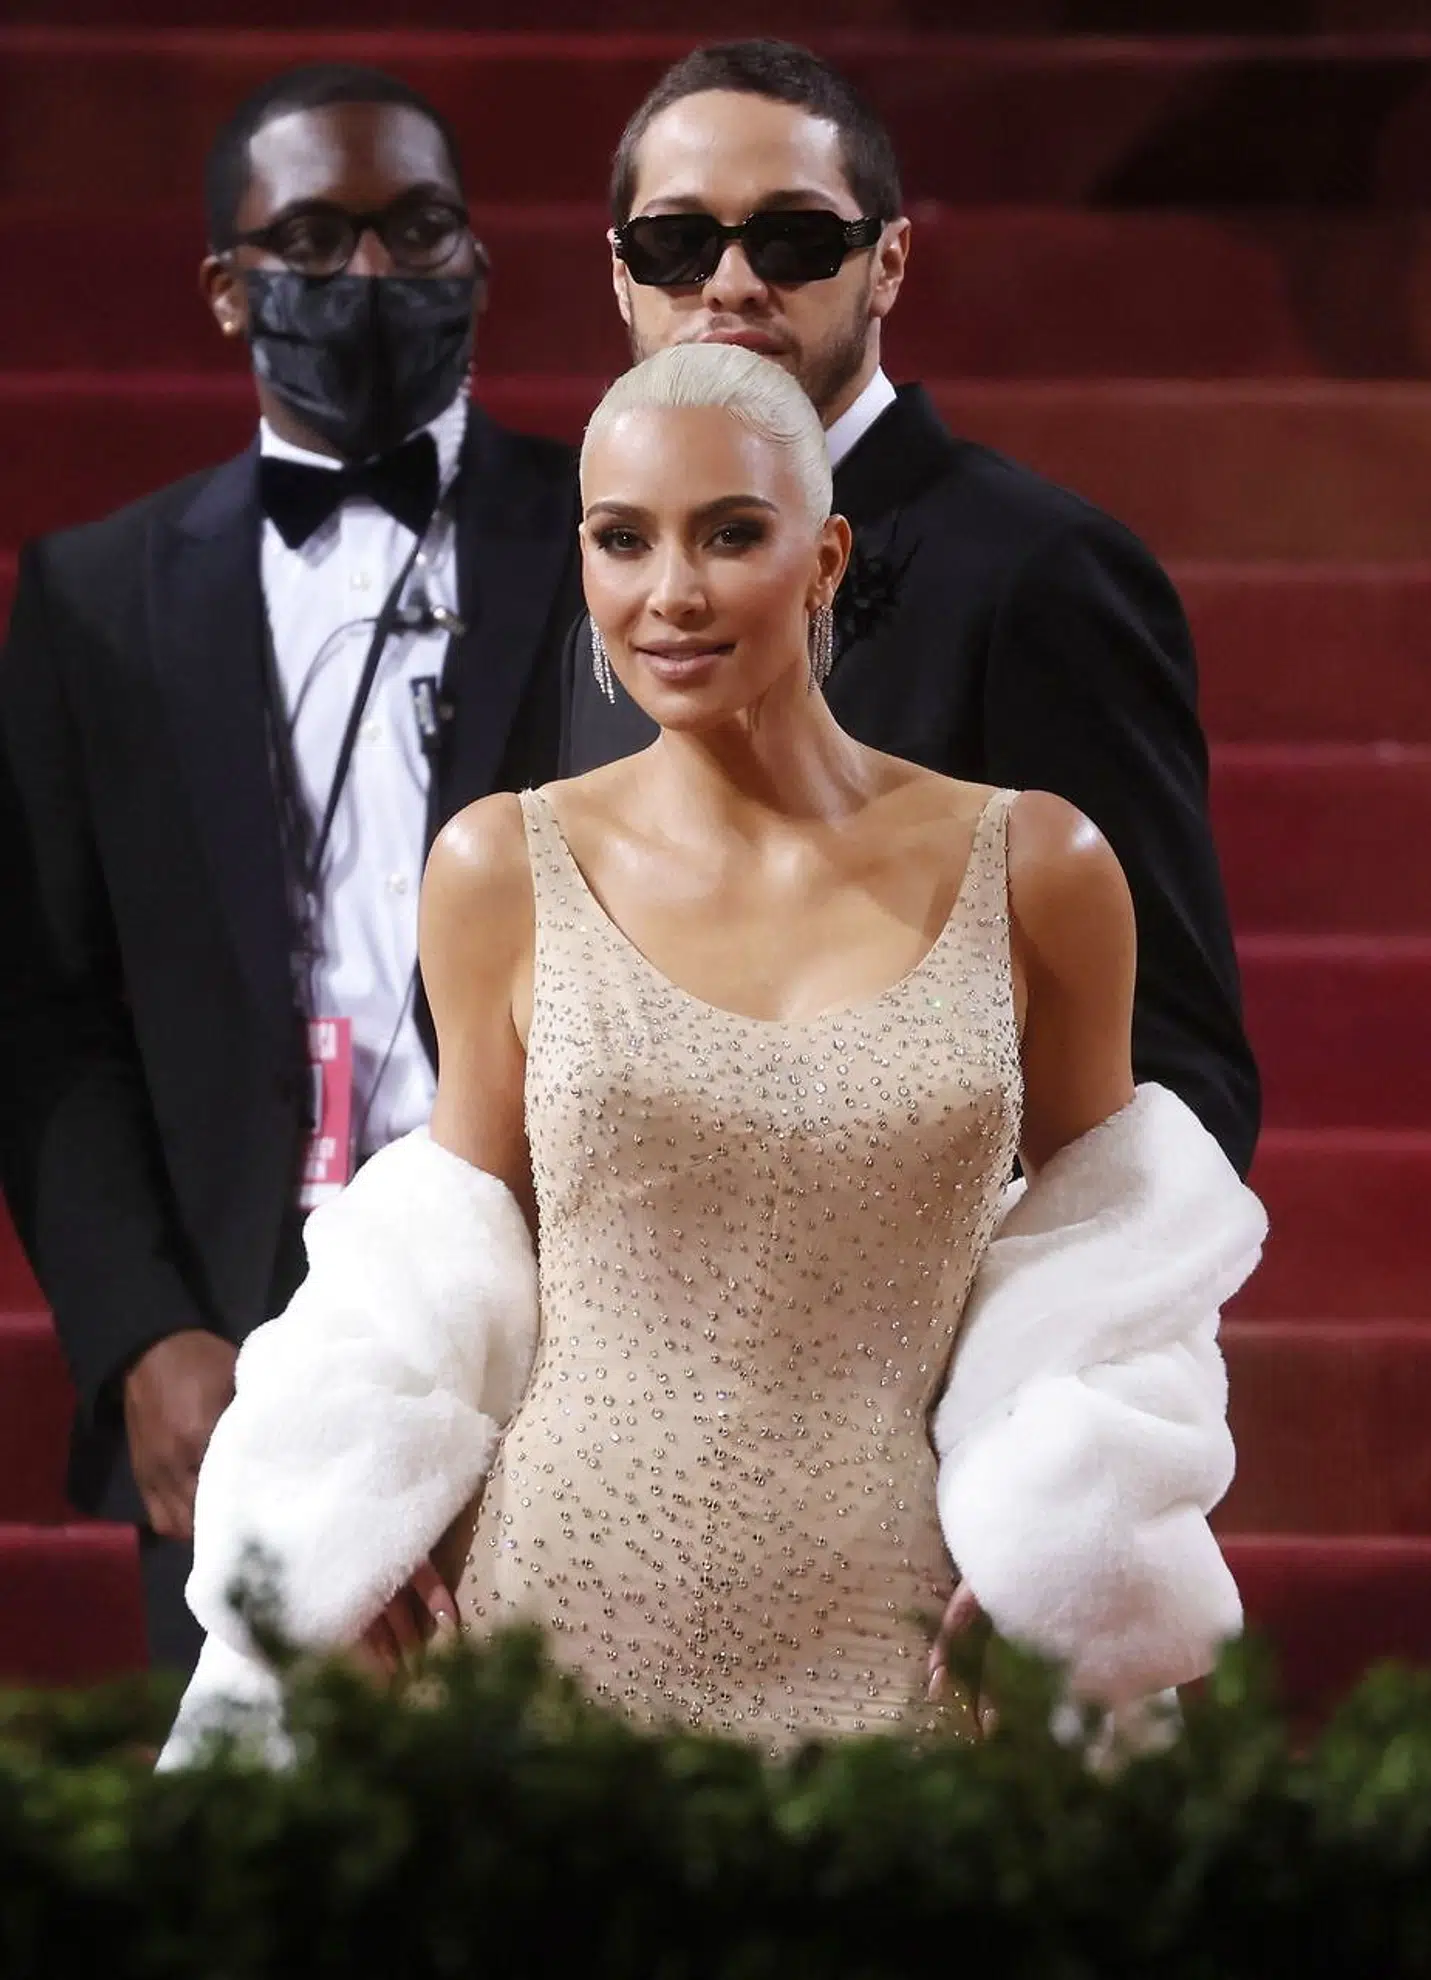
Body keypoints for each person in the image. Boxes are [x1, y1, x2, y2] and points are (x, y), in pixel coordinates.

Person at [161, 345, 1264, 1766]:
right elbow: (448, 1244)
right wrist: (358, 1520)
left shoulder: (1038, 865)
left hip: (907, 1631)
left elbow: (1117, 1260)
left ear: (826, 555)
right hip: (541, 1616)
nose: (669, 593)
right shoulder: (500, 864)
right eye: (624, 540)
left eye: (730, 534)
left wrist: (1072, 1539)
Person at [0, 63, 581, 1678]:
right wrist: (137, 1336)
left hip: (570, 1322)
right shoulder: (97, 596)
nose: (373, 278)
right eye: (314, 240)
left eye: (418, 231)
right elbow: (42, 1008)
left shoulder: (620, 539)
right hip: (238, 1358)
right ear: (224, 291)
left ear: (479, 259)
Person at [561, 39, 1260, 1177]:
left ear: (887, 264)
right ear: (620, 274)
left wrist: (1010, 1342)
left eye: (791, 239)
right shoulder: (605, 564)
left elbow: (1171, 1065)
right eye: (678, 245)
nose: (732, 284)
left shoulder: (1045, 572)